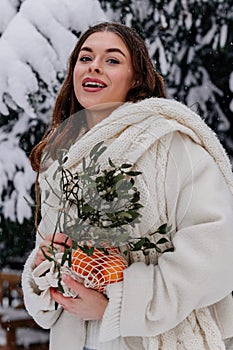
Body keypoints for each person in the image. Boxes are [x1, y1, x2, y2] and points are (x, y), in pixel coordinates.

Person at [22, 21, 233, 350]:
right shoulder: (61, 158)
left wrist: (117, 305)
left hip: (149, 340)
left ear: (136, 78)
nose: (94, 66)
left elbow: (217, 252)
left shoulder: (171, 146)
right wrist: (49, 269)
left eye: (112, 60)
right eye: (85, 57)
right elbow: (50, 249)